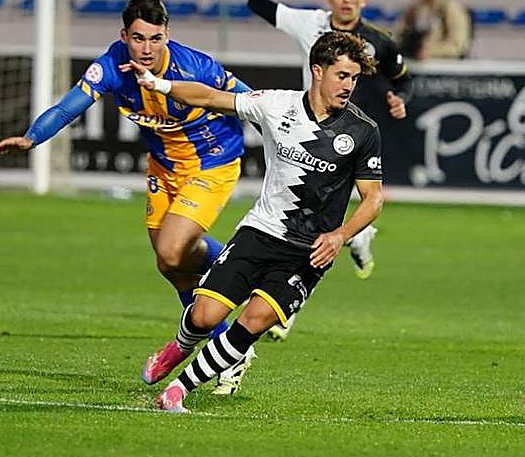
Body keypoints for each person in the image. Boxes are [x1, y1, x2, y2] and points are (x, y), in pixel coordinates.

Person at [0, 0, 258, 394]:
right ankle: (227, 346)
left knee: (171, 250)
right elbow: (68, 108)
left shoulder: (195, 66)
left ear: (167, 36)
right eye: (138, 38)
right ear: (124, 36)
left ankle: (248, 274)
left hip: (212, 163)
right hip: (163, 169)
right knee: (170, 265)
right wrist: (31, 139)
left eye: (156, 38)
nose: (147, 48)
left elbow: (253, 101)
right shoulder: (112, 65)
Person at [136, 30, 384, 413]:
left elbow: (373, 200)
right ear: (317, 71)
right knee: (204, 315)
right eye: (342, 75)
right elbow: (210, 97)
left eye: (354, 78)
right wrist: (159, 84)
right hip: (261, 232)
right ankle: (179, 347)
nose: (349, 85)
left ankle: (179, 390)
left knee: (254, 320)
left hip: (309, 252)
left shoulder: (363, 131)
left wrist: (340, 235)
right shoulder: (275, 105)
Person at [247, 0, 411, 301]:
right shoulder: (311, 25)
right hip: (310, 126)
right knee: (307, 217)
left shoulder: (379, 43)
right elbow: (259, 4)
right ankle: (354, 239)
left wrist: (400, 98)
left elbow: (403, 78)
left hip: (355, 136)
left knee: (313, 218)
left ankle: (281, 300)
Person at [398, 0, 471, 60]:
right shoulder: (415, 8)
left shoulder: (451, 9)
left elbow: (458, 45)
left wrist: (430, 52)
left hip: (445, 64)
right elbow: (400, 34)